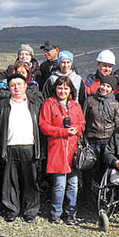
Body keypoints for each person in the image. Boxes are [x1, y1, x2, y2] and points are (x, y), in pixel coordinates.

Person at [0, 73, 43, 223]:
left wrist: (41, 151)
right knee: (9, 181)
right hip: (9, 147)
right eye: (12, 85)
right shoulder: (1, 105)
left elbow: (41, 129)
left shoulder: (35, 105)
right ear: (9, 88)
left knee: (30, 181)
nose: (16, 87)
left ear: (25, 86)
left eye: (19, 84)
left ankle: (30, 210)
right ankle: (11, 210)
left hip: (29, 147)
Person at [39, 76, 85, 224]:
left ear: (71, 90)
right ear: (55, 89)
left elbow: (82, 123)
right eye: (60, 88)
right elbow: (44, 126)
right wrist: (64, 132)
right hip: (57, 149)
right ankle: (56, 213)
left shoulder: (75, 105)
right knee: (59, 184)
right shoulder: (49, 103)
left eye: (66, 88)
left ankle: (71, 213)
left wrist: (76, 129)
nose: (63, 91)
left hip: (73, 149)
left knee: (73, 184)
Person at [82, 74, 119, 196]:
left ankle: (104, 193)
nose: (104, 88)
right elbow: (83, 120)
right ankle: (86, 192)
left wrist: (115, 141)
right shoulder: (90, 100)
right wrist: (82, 140)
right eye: (103, 84)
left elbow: (118, 123)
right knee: (88, 167)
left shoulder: (115, 103)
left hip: (107, 141)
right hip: (92, 139)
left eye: (108, 86)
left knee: (105, 168)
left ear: (112, 89)